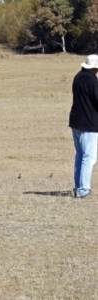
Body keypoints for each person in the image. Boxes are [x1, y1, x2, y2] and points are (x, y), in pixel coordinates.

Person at [69, 54, 98, 198]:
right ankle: (83, 190)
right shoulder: (91, 80)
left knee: (80, 155)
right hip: (88, 123)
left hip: (76, 121)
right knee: (89, 157)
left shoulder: (78, 76)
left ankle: (78, 188)